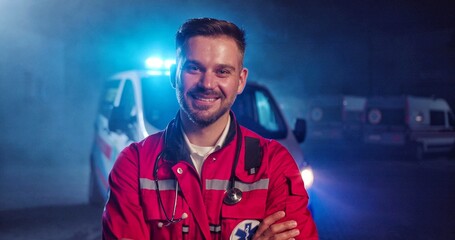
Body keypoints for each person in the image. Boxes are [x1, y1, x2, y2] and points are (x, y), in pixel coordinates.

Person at [102, 17, 318, 240]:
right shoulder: (134, 165)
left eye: (222, 71)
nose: (207, 84)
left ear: (241, 80)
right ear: (173, 74)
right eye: (194, 68)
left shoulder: (274, 164)